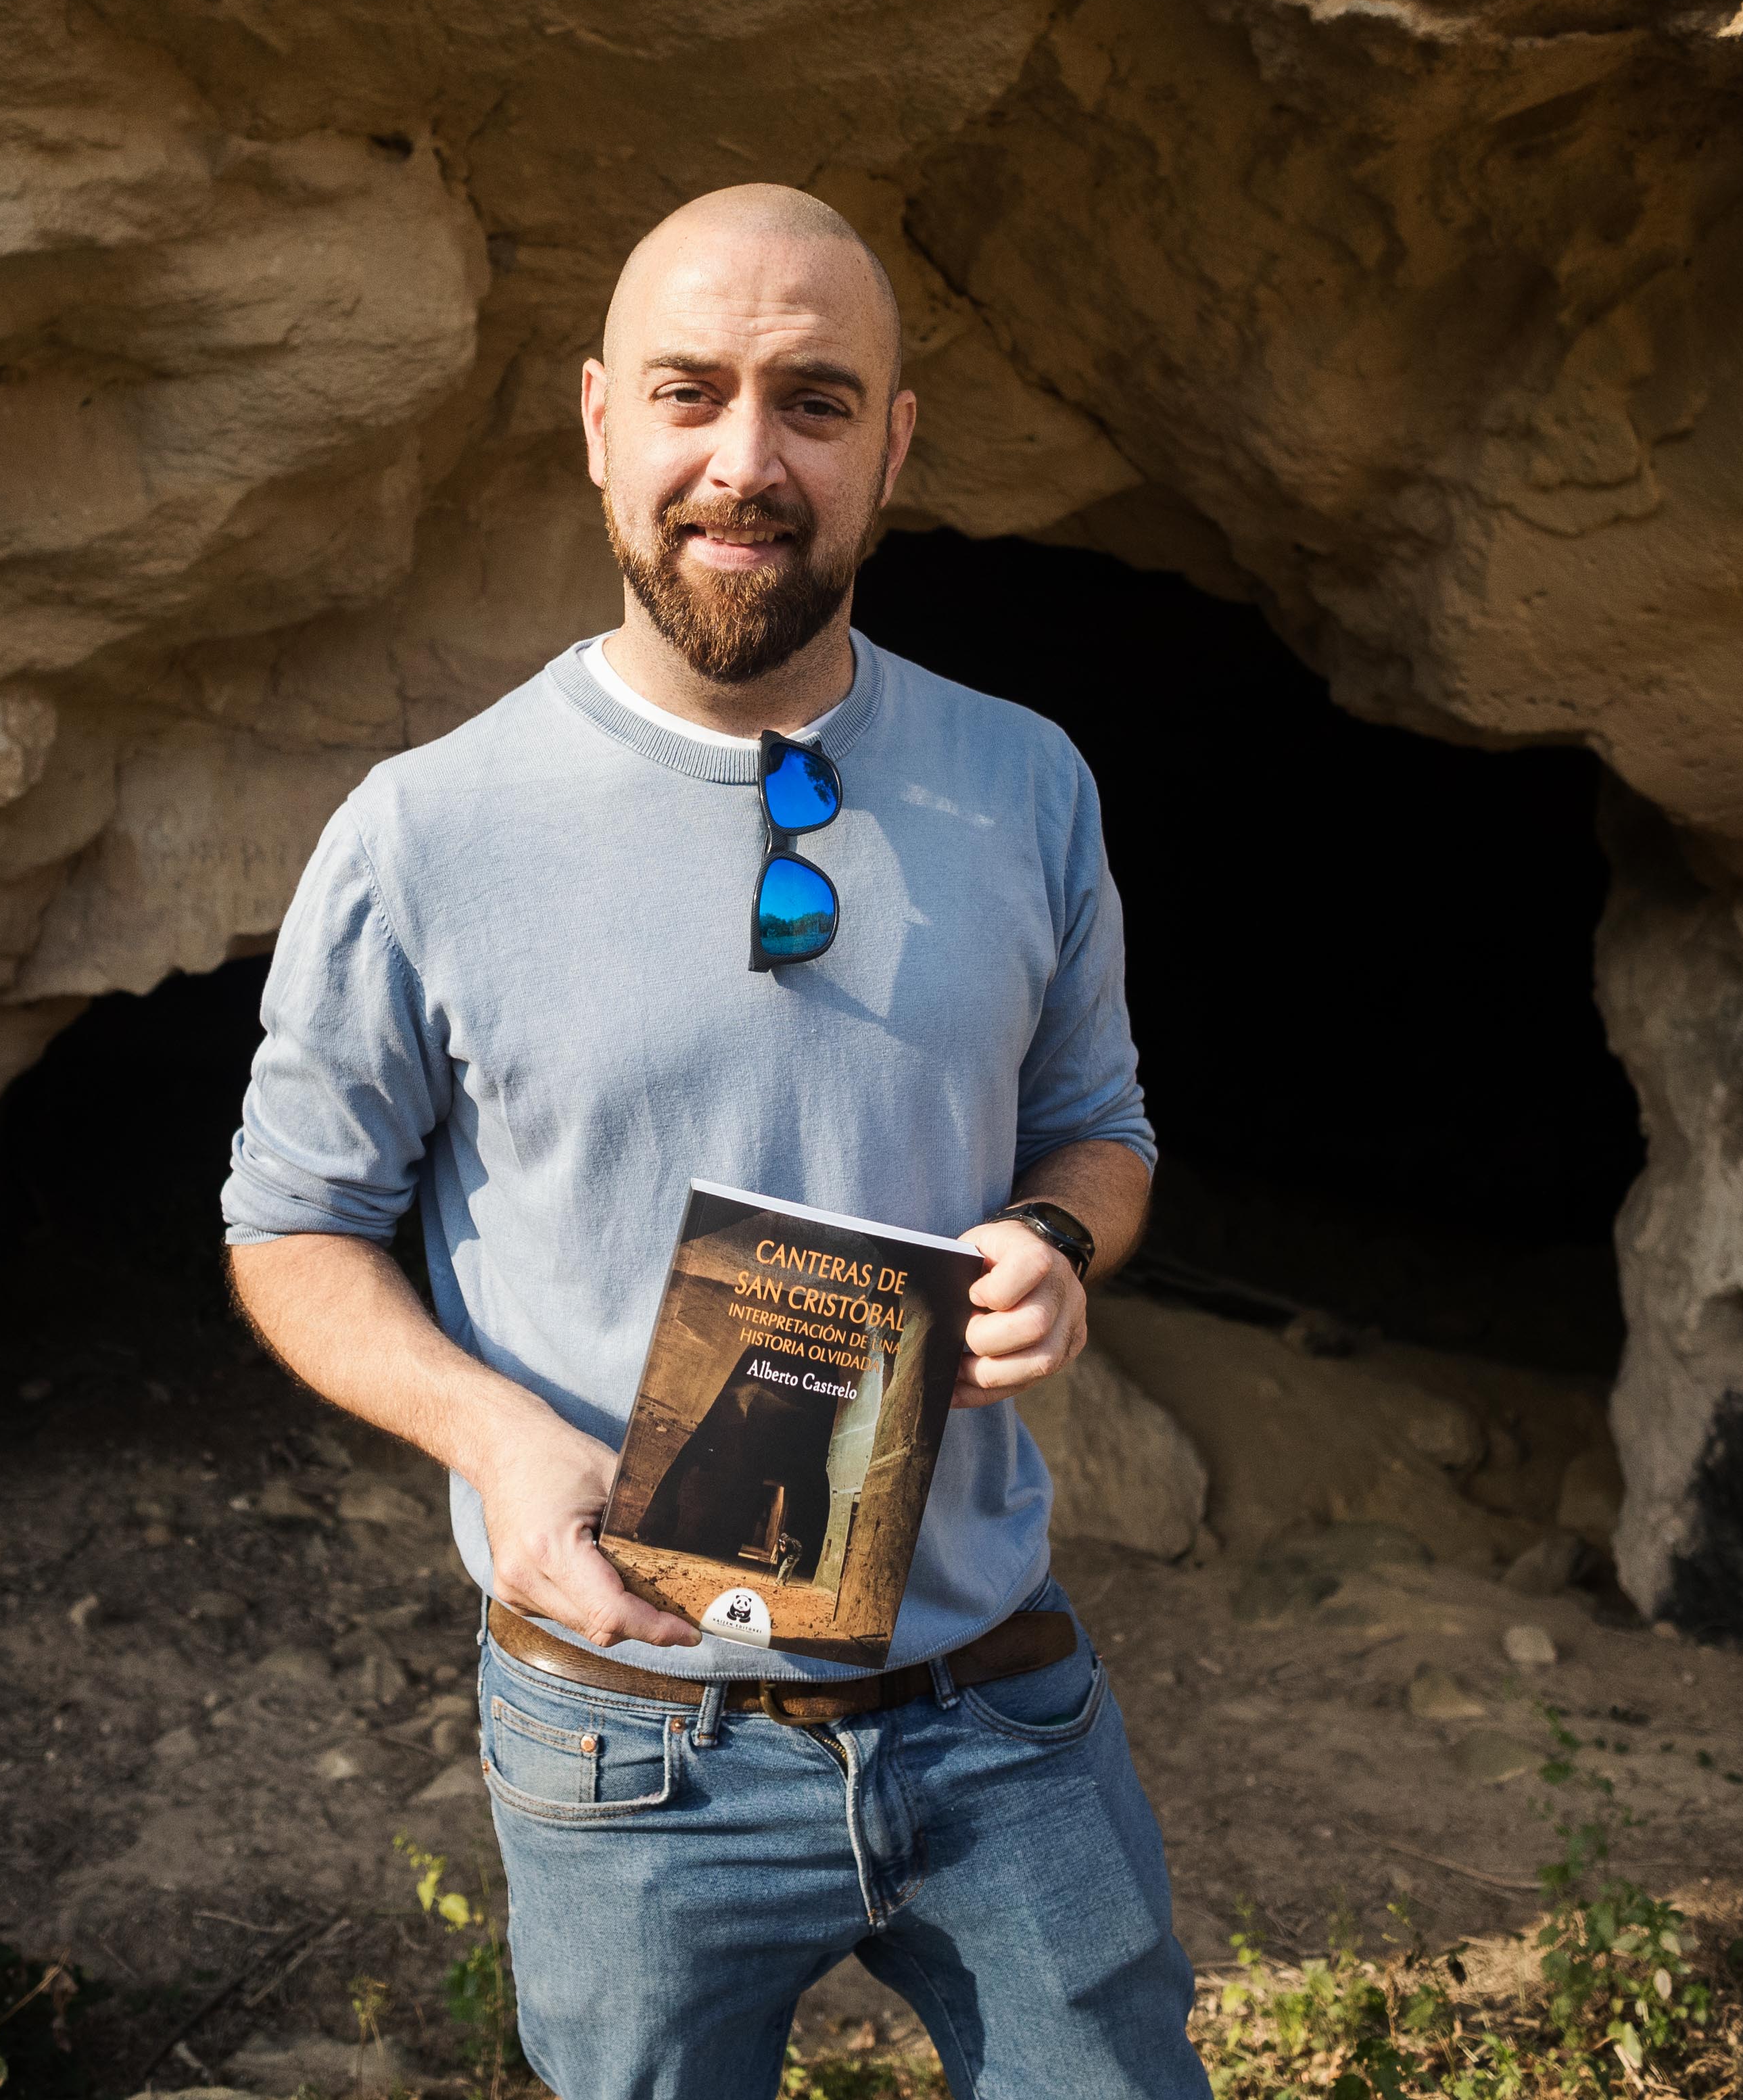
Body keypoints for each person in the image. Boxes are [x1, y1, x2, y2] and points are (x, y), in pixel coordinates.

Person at [220, 183, 1204, 2100]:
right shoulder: (428, 830)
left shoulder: (1028, 781)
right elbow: (291, 1227)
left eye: (814, 403)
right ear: (601, 422)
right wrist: (499, 1442)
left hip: (995, 1707)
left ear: (894, 446)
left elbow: (1101, 1131)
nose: (745, 462)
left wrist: (1059, 1243)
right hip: (626, 1741)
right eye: (690, 393)